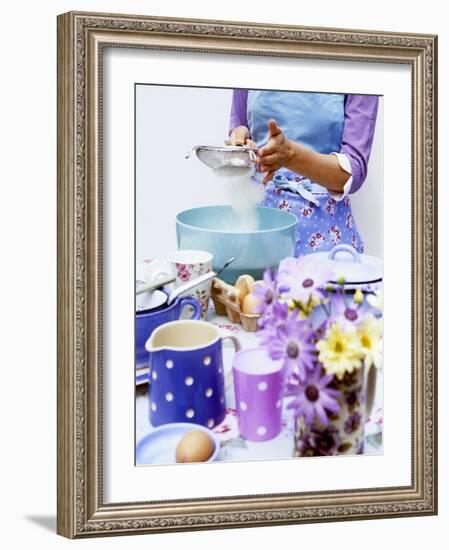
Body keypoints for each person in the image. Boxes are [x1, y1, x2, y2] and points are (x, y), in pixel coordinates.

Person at [228, 89, 379, 255]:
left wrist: (292, 157)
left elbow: (353, 172)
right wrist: (240, 141)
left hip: (325, 232)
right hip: (258, 225)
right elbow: (240, 126)